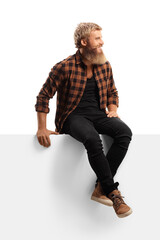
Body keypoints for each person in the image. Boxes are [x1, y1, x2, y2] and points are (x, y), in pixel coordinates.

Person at [35, 22, 133, 218]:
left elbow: (112, 91)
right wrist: (42, 128)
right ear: (84, 41)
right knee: (92, 138)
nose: (102, 42)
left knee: (125, 132)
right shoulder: (64, 67)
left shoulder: (104, 65)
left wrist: (112, 110)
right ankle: (113, 193)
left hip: (98, 114)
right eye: (97, 39)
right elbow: (43, 96)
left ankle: (100, 189)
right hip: (72, 116)